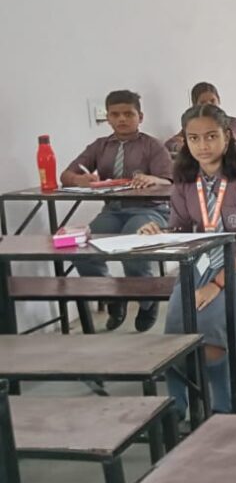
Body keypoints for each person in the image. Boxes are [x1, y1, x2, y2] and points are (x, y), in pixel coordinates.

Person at [139, 103, 236, 417]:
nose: (203, 145)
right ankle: (176, 407)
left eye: (211, 136)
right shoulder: (184, 177)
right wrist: (161, 231)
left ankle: (224, 407)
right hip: (200, 258)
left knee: (212, 326)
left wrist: (216, 284)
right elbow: (182, 227)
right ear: (185, 141)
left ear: (227, 136)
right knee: (176, 327)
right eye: (194, 138)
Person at [61, 89, 172, 332]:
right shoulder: (100, 146)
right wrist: (80, 179)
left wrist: (153, 179)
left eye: (128, 114)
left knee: (132, 244)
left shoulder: (153, 146)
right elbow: (66, 175)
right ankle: (112, 296)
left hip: (149, 210)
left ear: (140, 117)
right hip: (113, 211)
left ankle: (147, 301)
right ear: (108, 118)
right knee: (82, 248)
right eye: (115, 114)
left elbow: (170, 181)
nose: (122, 119)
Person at [165, 82, 236, 154]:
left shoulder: (233, 122)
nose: (209, 105)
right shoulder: (193, 126)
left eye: (212, 101)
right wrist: (180, 147)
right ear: (195, 106)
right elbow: (169, 143)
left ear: (219, 100)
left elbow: (231, 142)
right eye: (203, 102)